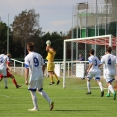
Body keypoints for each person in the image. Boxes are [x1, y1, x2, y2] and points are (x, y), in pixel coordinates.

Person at [24, 42, 54, 111]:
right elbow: (43, 65)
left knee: (32, 91)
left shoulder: (27, 57)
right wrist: (42, 73)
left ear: (27, 48)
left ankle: (36, 107)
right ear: (33, 48)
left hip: (33, 76)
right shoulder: (39, 55)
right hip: (40, 75)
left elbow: (26, 68)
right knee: (40, 90)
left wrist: (26, 79)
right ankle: (50, 101)